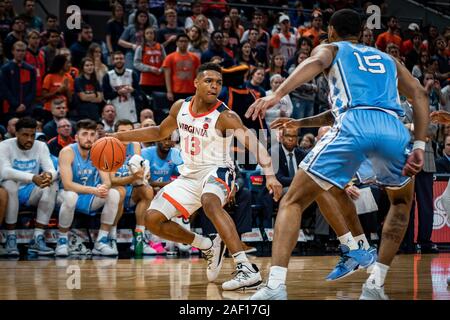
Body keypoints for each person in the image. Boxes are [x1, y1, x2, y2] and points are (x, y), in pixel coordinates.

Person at [246, 9, 430, 300]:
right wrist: (419, 145)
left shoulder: (331, 48)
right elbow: (419, 94)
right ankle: (374, 282)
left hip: (353, 126)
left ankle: (276, 286)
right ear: (361, 32)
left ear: (331, 30)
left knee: (294, 199)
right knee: (401, 203)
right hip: (394, 131)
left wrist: (277, 94)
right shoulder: (389, 59)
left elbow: (315, 62)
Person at [112, 62, 282, 290]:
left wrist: (270, 175)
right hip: (189, 175)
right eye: (209, 81)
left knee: (209, 201)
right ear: (196, 83)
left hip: (219, 169)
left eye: (218, 83)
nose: (214, 86)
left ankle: (245, 268)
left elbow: (255, 144)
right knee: (152, 219)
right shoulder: (180, 107)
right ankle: (205, 244)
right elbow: (159, 132)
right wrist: (117, 137)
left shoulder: (225, 116)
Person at [55, 119, 119, 257]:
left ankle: (101, 242)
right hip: (65, 195)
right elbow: (67, 185)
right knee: (71, 196)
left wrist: (103, 187)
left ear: (96, 136)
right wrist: (94, 190)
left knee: (114, 193)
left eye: (92, 134)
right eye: (84, 134)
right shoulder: (67, 152)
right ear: (76, 137)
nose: (88, 138)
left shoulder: (100, 152)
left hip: (89, 196)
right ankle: (62, 241)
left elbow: (107, 181)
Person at [0, 117, 58, 256]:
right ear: (17, 134)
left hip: (31, 190)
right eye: (25, 135)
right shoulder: (4, 146)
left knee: (51, 185)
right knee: (10, 183)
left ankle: (38, 239)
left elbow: (51, 169)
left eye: (33, 135)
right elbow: (5, 171)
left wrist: (48, 176)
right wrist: (32, 177)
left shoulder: (41, 146)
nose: (30, 139)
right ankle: (10, 237)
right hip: (10, 191)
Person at [109, 119, 156, 255]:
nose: (126, 135)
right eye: (122, 132)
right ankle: (110, 238)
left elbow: (137, 169)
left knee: (147, 191)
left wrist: (143, 175)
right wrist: (133, 178)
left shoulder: (135, 145)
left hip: (130, 189)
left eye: (130, 132)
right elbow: (112, 181)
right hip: (113, 192)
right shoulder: (109, 147)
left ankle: (139, 238)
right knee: (120, 191)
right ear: (115, 133)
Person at [102, 51, 140, 123]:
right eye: (116, 59)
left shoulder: (132, 74)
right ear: (113, 61)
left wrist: (132, 90)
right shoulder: (108, 75)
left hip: (130, 107)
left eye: (121, 58)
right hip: (114, 108)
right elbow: (106, 96)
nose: (119, 60)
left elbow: (139, 93)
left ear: (124, 60)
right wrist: (118, 92)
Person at [1, 41, 36, 118]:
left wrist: (24, 104)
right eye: (18, 50)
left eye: (23, 51)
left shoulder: (31, 69)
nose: (20, 53)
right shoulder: (5, 69)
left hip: (27, 109)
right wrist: (16, 105)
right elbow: (5, 89)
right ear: (13, 51)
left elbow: (32, 90)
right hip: (10, 109)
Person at [162, 34, 200, 103]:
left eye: (185, 41)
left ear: (188, 43)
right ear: (177, 43)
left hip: (191, 91)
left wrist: (198, 91)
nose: (183, 43)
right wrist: (169, 91)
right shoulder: (169, 57)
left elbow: (198, 76)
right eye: (181, 41)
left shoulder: (195, 58)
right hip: (176, 91)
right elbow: (167, 76)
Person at [134, 26, 166, 95]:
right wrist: (150, 68)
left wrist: (161, 69)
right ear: (144, 36)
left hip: (160, 80)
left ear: (154, 35)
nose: (149, 35)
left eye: (151, 33)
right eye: (147, 33)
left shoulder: (160, 46)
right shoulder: (140, 47)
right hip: (146, 81)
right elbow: (136, 63)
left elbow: (165, 61)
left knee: (158, 102)